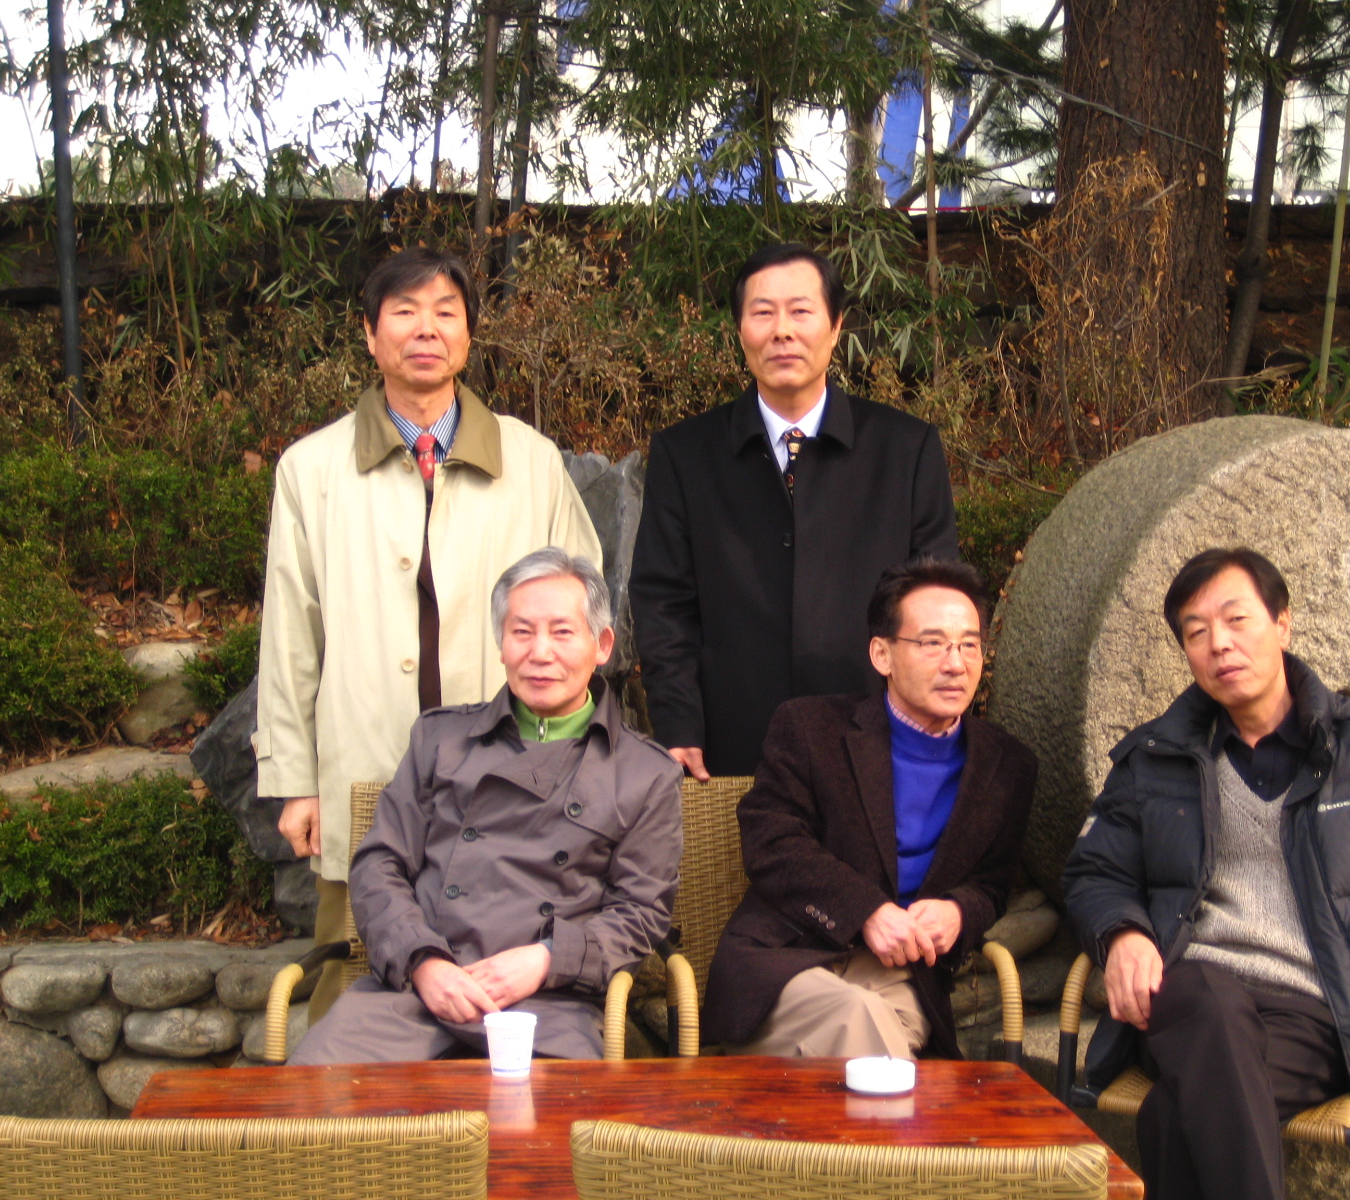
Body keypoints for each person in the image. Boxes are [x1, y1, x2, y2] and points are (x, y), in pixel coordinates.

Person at [1062, 547, 1350, 1200]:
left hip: (1319, 1017)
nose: (1219, 644)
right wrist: (1122, 933)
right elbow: (1094, 872)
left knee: (1173, 1114)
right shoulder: (1154, 759)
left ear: (1282, 623)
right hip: (1183, 999)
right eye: (1196, 633)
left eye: (1237, 620)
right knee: (1206, 995)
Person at [258, 246, 601, 1020]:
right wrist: (297, 780)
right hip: (364, 759)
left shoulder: (532, 461)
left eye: (446, 312)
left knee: (500, 990)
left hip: (513, 773)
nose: (426, 329)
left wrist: (570, 759)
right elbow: (289, 636)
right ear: (370, 334)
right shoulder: (310, 470)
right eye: (405, 312)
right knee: (354, 982)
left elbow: (580, 616)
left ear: (469, 335)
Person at [289, 549, 682, 1064]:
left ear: (602, 645)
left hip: (550, 1006)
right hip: (414, 997)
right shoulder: (440, 739)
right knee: (317, 1098)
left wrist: (545, 960)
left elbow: (640, 912)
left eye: (562, 632)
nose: (540, 652)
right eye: (522, 632)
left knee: (549, 1114)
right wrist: (423, 962)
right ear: (501, 644)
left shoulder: (645, 772)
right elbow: (378, 866)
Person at [630, 243, 959, 780]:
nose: (782, 331)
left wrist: (928, 717)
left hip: (877, 741)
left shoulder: (905, 449)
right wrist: (678, 722)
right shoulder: (686, 455)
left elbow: (936, 602)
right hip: (731, 745)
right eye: (763, 312)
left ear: (836, 326)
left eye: (801, 311)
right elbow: (663, 603)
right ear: (740, 330)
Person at [700, 558, 1037, 1059]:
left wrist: (958, 911)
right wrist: (865, 911)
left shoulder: (1007, 765)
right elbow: (772, 842)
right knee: (860, 1022)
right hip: (789, 960)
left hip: (902, 974)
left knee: (867, 1035)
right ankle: (905, 1116)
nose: (956, 663)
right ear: (882, 654)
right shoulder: (810, 728)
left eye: (969, 645)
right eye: (932, 643)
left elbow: (993, 883)